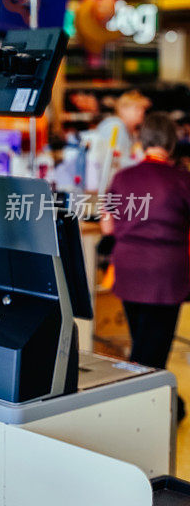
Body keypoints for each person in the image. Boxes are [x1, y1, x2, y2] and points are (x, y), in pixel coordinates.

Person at [101, 112, 190, 421]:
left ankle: (152, 403)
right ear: (172, 143)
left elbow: (107, 228)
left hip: (129, 271)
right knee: (153, 348)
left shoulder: (122, 178)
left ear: (141, 141)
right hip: (166, 275)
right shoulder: (182, 180)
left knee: (142, 341)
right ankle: (147, 409)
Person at [89, 90, 150, 188]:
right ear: (123, 109)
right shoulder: (116, 127)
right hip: (102, 186)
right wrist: (146, 165)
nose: (141, 112)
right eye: (137, 108)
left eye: (143, 109)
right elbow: (117, 161)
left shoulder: (127, 130)